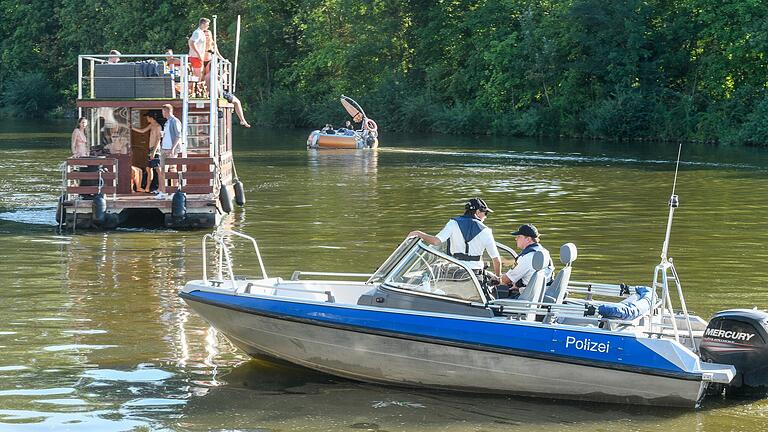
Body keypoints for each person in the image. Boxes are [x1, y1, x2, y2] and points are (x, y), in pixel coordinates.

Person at [408, 198, 502, 278]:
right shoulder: (486, 231)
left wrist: (419, 233)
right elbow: (496, 260)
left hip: (455, 272)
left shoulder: (453, 223)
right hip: (475, 274)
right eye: (485, 213)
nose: (485, 217)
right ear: (477, 212)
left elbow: (436, 241)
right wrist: (498, 278)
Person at [499, 224, 555, 298]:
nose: (516, 239)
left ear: (528, 239)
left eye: (519, 236)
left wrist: (494, 278)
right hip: (540, 293)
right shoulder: (544, 252)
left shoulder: (526, 258)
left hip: (528, 298)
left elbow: (505, 280)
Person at [131, 112, 162, 192]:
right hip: (150, 149)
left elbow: (158, 139)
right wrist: (132, 127)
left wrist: (154, 152)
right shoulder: (151, 125)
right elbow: (142, 131)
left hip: (156, 150)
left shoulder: (158, 126)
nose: (147, 119)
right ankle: (147, 188)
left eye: (147, 117)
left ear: (151, 118)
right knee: (148, 168)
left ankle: (161, 188)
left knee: (158, 169)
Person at [158, 103, 183, 195]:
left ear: (166, 111)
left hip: (170, 148)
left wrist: (173, 148)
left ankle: (174, 190)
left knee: (172, 169)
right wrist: (163, 136)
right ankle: (163, 191)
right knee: (162, 170)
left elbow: (178, 136)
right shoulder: (167, 122)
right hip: (164, 148)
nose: (162, 113)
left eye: (163, 111)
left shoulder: (175, 121)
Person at [188, 18, 209, 82]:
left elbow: (189, 41)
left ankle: (194, 89)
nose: (208, 26)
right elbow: (192, 43)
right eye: (207, 25)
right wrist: (198, 54)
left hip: (197, 57)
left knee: (198, 76)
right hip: (196, 57)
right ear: (202, 24)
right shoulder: (197, 32)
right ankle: (193, 90)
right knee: (197, 77)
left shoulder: (200, 32)